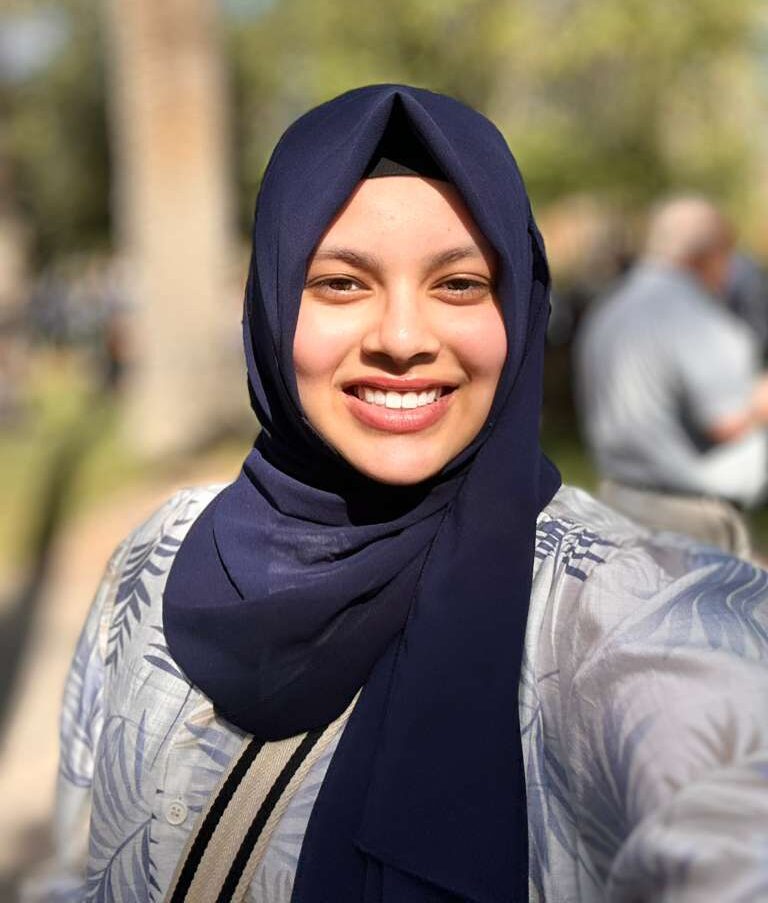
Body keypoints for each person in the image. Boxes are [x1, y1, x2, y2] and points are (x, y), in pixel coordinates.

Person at [25, 87, 768, 903]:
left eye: (460, 284)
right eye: (343, 283)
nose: (404, 339)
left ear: (518, 304)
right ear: (270, 303)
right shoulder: (157, 553)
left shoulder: (628, 611)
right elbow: (75, 869)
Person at [575, 195, 768, 557]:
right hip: (693, 520)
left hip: (621, 501)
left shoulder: (611, 307)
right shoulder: (698, 318)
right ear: (711, 255)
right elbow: (726, 421)